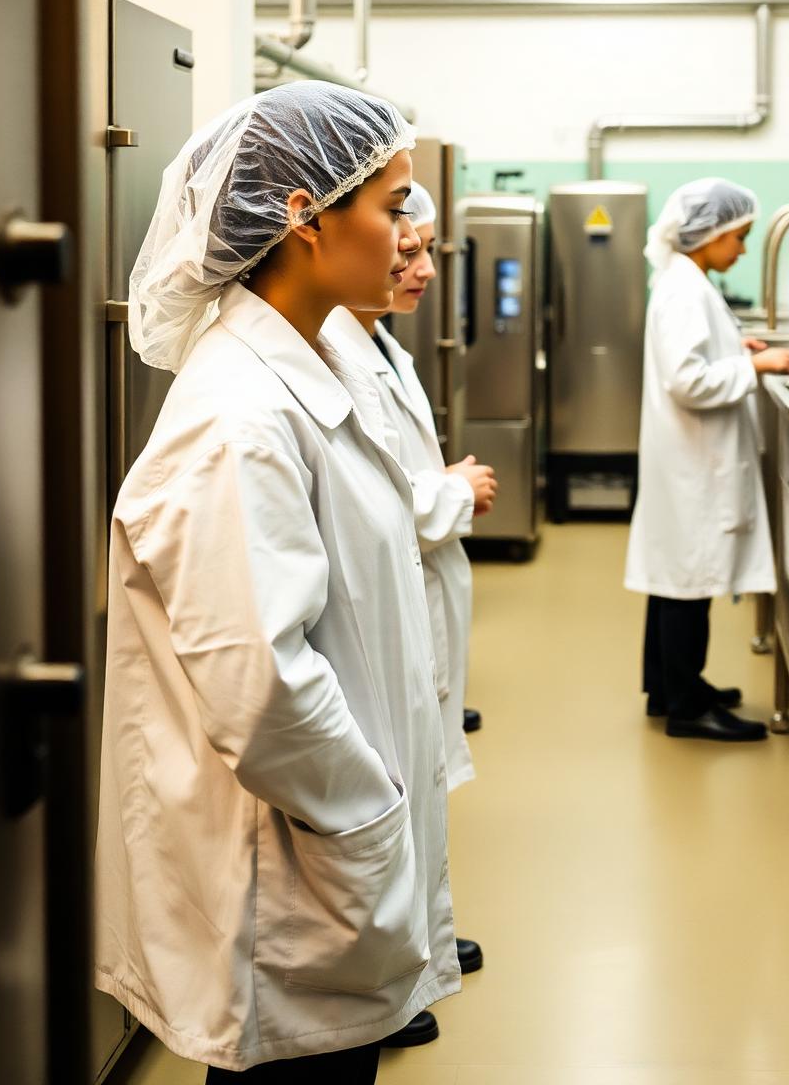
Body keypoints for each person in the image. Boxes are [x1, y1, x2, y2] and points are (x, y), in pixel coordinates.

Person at [95, 82, 459, 1082]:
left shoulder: (310, 371)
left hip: (327, 858)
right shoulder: (241, 418)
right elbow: (262, 690)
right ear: (304, 214)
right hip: (300, 871)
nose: (409, 235)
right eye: (391, 207)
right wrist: (368, 818)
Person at [323, 181, 497, 1049]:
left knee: (420, 786)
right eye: (406, 242)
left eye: (425, 247)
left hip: (417, 596)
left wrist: (438, 489)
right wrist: (452, 492)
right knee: (393, 791)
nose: (418, 264)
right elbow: (382, 505)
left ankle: (419, 942)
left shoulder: (376, 342)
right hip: (386, 609)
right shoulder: (324, 353)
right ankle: (401, 960)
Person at [625, 179, 789, 743]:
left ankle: (667, 688)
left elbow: (695, 356)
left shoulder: (688, 280)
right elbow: (687, 380)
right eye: (739, 237)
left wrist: (736, 351)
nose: (742, 249)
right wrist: (759, 369)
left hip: (686, 458)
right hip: (692, 462)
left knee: (676, 576)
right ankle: (686, 706)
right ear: (711, 234)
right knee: (689, 581)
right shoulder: (683, 289)